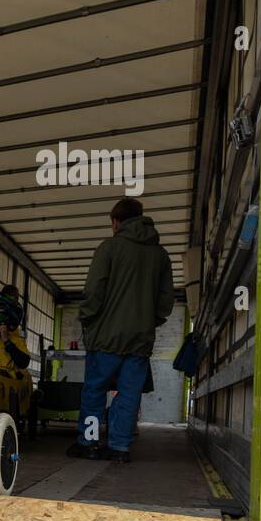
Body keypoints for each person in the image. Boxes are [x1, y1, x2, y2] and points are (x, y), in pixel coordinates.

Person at [67, 198, 174, 463]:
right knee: (129, 395)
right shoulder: (160, 255)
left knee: (94, 392)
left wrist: (87, 319)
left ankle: (89, 443)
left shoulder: (110, 248)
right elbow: (165, 301)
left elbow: (94, 291)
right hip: (139, 342)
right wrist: (149, 322)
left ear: (116, 222)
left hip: (105, 338)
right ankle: (119, 448)